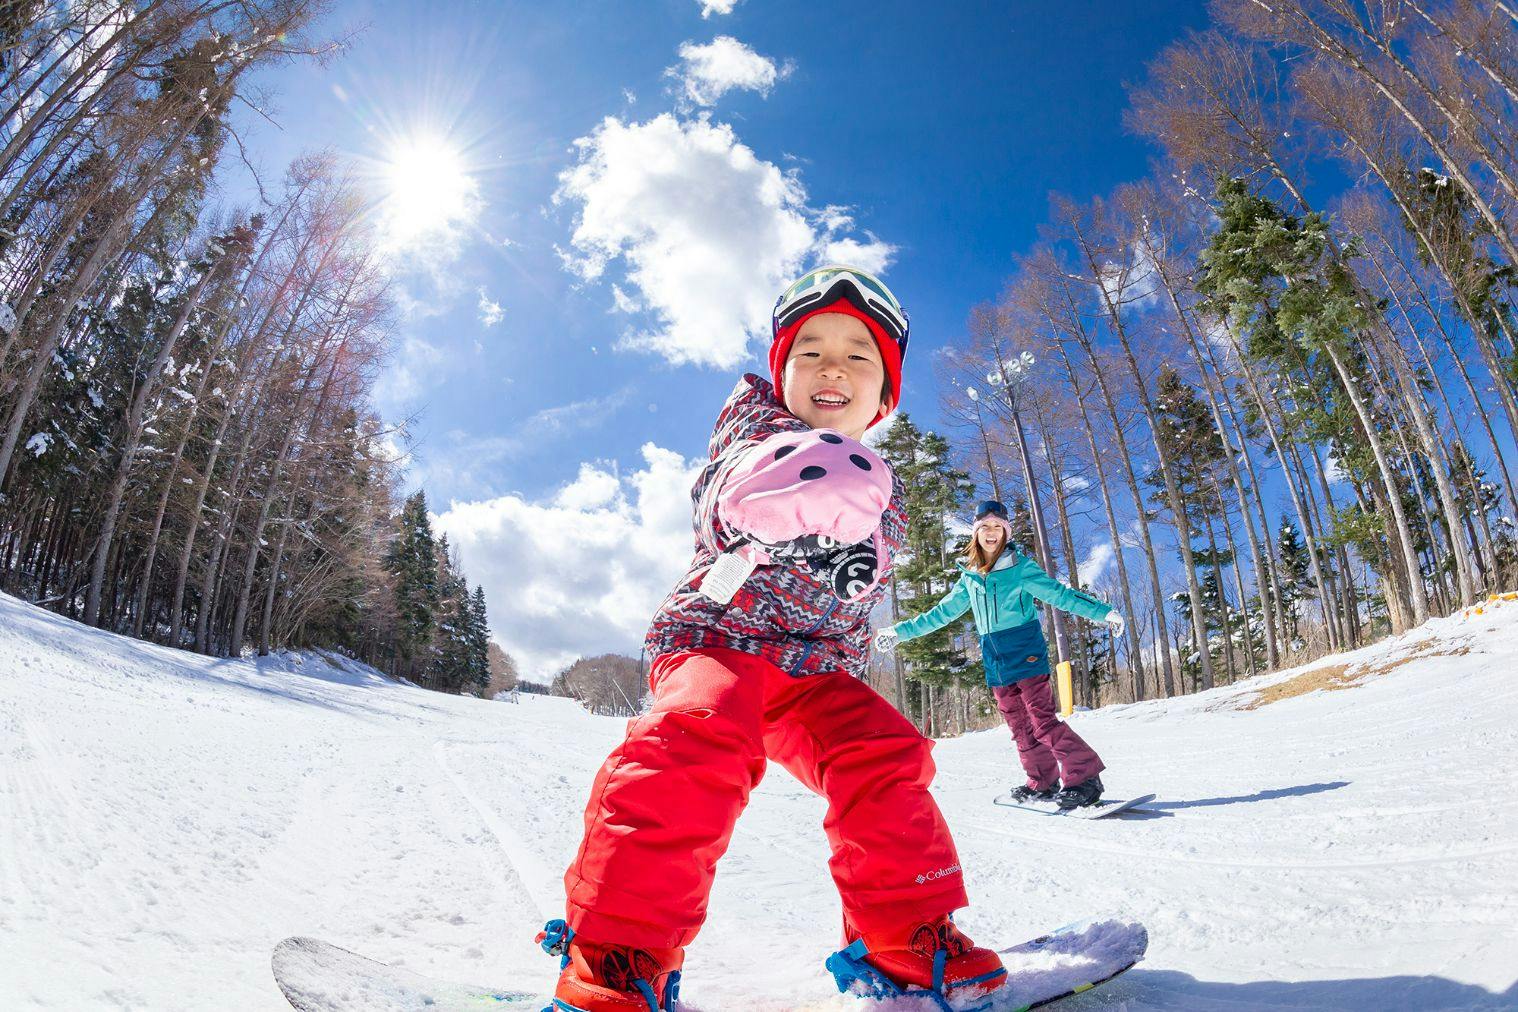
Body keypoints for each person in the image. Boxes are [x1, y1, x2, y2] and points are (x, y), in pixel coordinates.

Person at [536, 267, 1008, 1012]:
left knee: (884, 754)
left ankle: (904, 934)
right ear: (780, 371)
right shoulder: (754, 431)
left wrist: (859, 521)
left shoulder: (885, 487)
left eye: (859, 355)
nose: (832, 366)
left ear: (884, 397)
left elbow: (869, 553)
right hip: (717, 641)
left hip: (814, 670)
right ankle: (621, 955)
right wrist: (798, 485)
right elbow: (732, 491)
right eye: (810, 350)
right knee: (695, 740)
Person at [874, 500, 1126, 810]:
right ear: (976, 534)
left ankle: (1084, 777)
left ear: (1005, 532)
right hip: (995, 659)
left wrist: (1105, 613)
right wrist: (899, 632)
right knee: (1019, 726)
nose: (991, 533)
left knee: (1041, 720)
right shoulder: (969, 578)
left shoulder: (1021, 568)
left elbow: (1061, 595)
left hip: (1026, 651)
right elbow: (939, 614)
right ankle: (1042, 782)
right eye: (985, 528)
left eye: (997, 527)